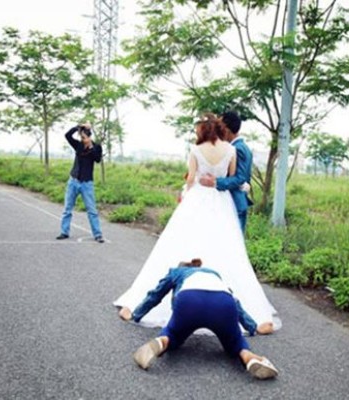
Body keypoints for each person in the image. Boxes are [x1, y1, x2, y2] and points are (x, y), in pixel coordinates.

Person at [114, 113, 280, 331]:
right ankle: (245, 315)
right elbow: (231, 175)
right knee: (227, 250)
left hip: (197, 200)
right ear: (220, 129)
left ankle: (149, 305)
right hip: (221, 204)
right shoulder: (230, 150)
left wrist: (185, 194)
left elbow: (191, 179)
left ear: (202, 130)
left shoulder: (195, 150)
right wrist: (216, 181)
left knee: (181, 244)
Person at [118, 259, 279, 380]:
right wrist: (252, 327)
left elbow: (155, 295)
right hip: (223, 303)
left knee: (173, 332)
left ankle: (162, 342)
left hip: (189, 301)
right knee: (235, 341)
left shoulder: (176, 272)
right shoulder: (213, 274)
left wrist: (135, 315)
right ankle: (248, 357)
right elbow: (234, 302)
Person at [199, 110, 253, 233]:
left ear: (227, 130)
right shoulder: (240, 147)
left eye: (221, 127)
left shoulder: (238, 148)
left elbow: (240, 178)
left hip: (235, 202)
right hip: (233, 201)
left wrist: (215, 182)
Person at [56, 122, 105, 243]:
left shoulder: (97, 147)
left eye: (84, 137)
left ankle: (97, 234)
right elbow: (67, 135)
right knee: (67, 209)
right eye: (81, 137)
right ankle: (64, 232)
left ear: (89, 137)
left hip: (87, 183)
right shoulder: (78, 145)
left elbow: (97, 159)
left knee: (92, 211)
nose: (83, 139)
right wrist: (78, 127)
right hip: (73, 181)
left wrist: (91, 146)